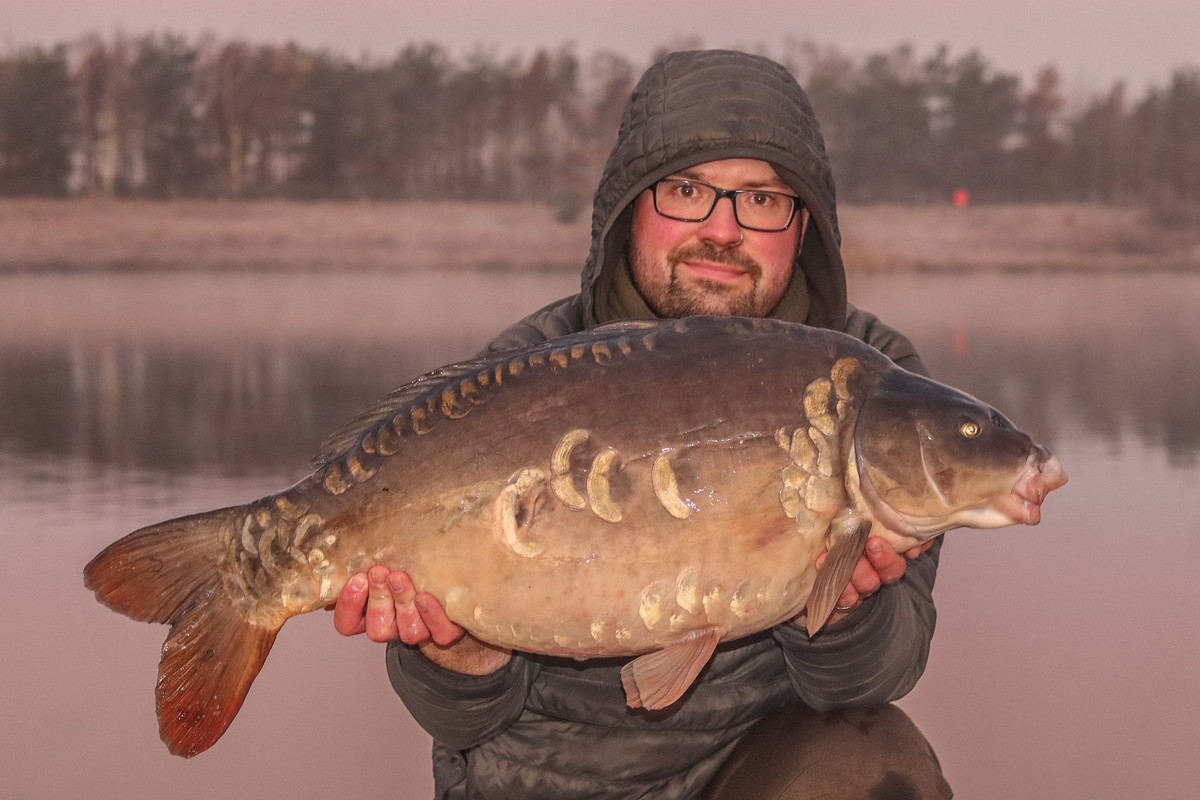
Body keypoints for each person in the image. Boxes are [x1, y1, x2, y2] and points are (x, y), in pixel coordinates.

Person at [332, 49, 952, 799]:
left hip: (759, 768)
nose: (722, 230)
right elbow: (461, 723)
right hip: (541, 780)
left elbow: (881, 675)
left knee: (877, 764)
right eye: (688, 190)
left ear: (805, 225)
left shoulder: (866, 382)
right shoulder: (523, 374)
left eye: (761, 200)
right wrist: (459, 651)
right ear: (630, 207)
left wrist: (845, 607)